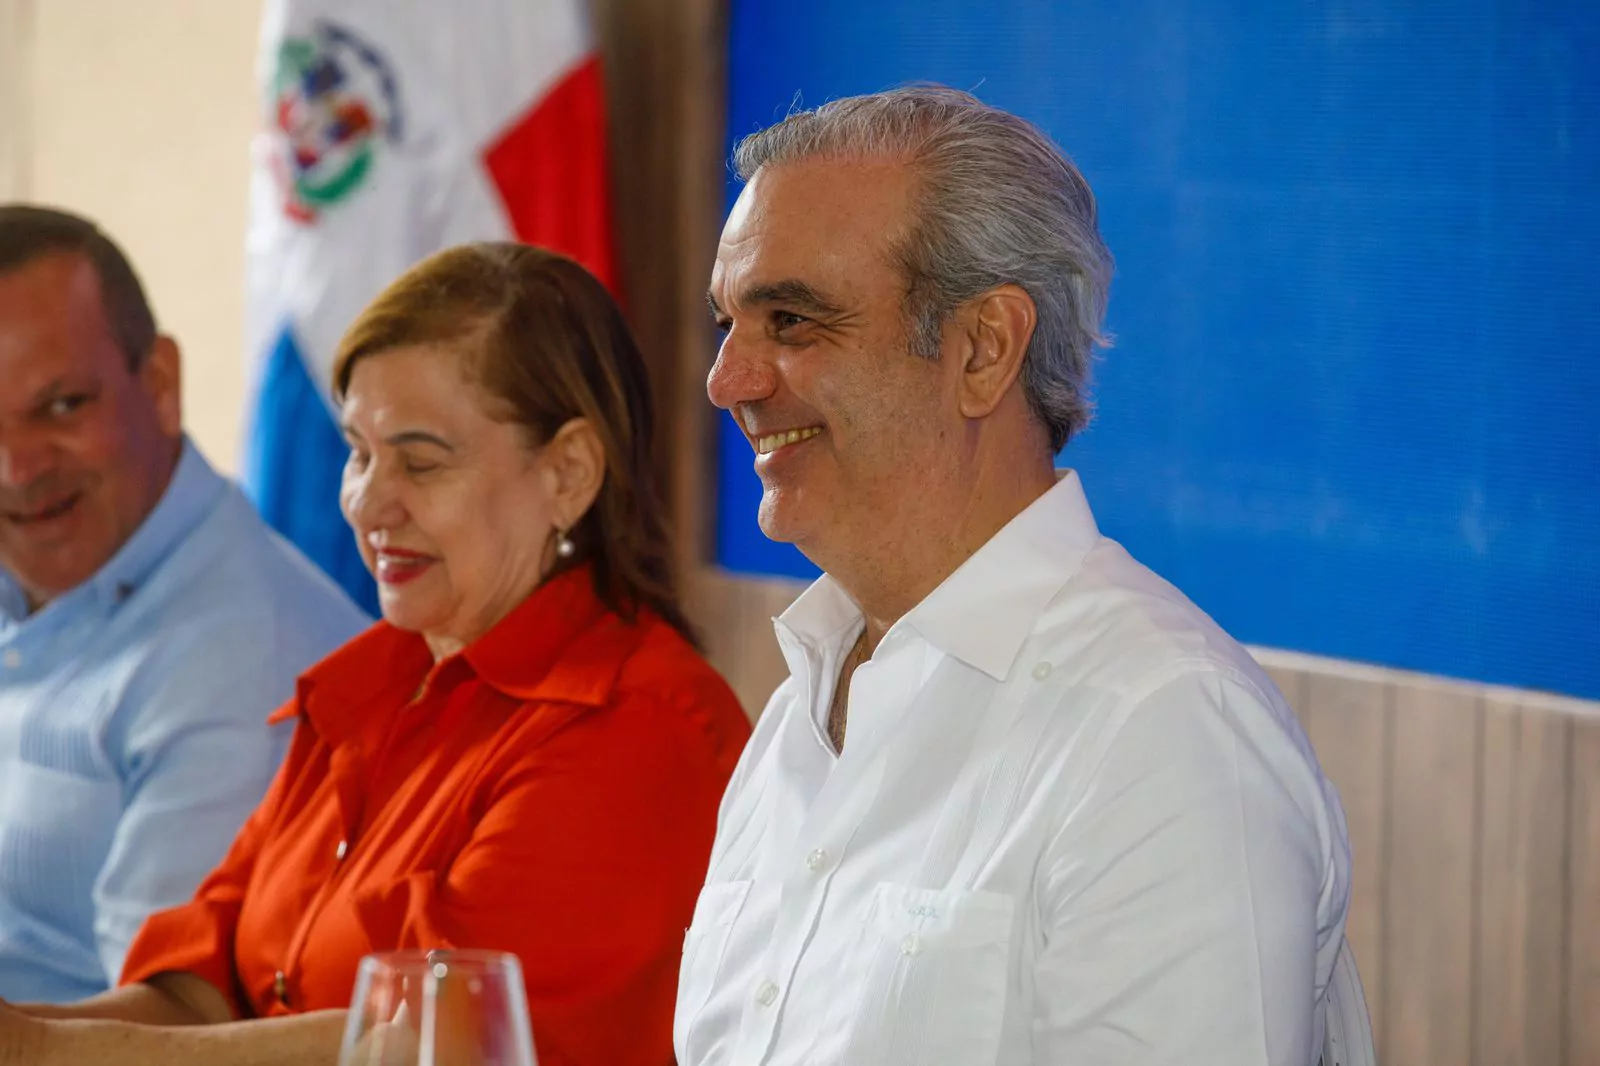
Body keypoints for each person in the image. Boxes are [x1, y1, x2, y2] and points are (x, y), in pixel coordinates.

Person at [677, 86, 1353, 1066]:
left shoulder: (1162, 732)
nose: (726, 381)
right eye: (728, 323)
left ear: (984, 350)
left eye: (790, 320)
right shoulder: (798, 714)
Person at [0, 242, 751, 1065]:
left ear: (568, 473)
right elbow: (200, 991)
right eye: (359, 453)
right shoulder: (377, 680)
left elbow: (448, 1043)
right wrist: (39, 1039)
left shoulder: (638, 728)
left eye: (420, 462)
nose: (366, 504)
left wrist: (43, 1052)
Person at [0, 205, 368, 1003]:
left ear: (161, 385)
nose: (17, 468)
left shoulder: (242, 658)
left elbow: (166, 1024)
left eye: (62, 406)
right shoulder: (36, 568)